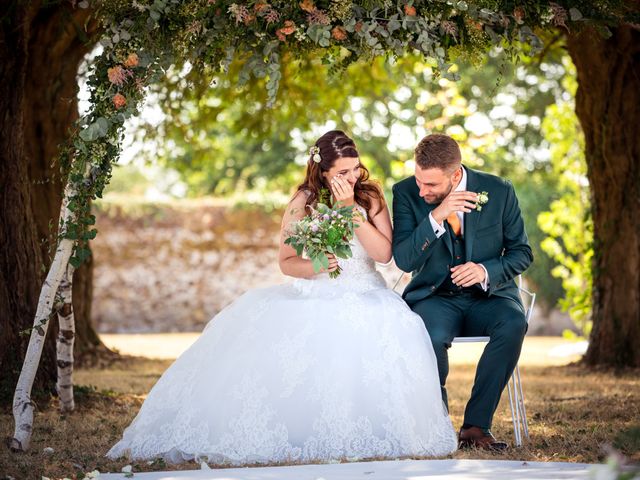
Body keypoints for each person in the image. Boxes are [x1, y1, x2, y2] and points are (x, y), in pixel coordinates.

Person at [106, 130, 457, 466]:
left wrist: (351, 208)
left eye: (355, 169)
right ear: (323, 172)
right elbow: (286, 263)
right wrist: (317, 263)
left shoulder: (370, 197)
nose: (352, 177)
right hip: (317, 293)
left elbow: (383, 255)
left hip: (367, 293)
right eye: (342, 173)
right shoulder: (303, 202)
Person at [392, 133, 533, 451]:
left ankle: (475, 427)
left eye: (431, 185)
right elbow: (404, 258)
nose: (421, 190)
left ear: (455, 175)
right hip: (436, 297)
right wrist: (436, 216)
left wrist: (485, 270)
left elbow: (521, 253)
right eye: (418, 180)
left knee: (513, 323)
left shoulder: (498, 190)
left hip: (490, 298)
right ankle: (438, 428)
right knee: (426, 334)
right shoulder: (405, 193)